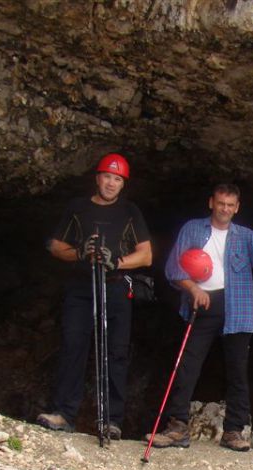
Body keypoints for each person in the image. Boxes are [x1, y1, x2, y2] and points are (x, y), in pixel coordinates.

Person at [147, 183, 253, 451]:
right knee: (187, 364)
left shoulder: (244, 236)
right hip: (204, 302)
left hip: (238, 306)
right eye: (221, 203)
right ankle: (176, 427)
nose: (224, 209)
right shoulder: (193, 229)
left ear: (237, 208)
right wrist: (193, 289)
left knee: (237, 370)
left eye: (230, 205)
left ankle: (233, 431)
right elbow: (174, 267)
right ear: (211, 202)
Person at [37, 152, 152, 438]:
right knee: (73, 345)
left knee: (116, 352)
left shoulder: (130, 211)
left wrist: (117, 261)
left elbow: (146, 255)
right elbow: (54, 246)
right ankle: (64, 413)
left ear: (123, 184)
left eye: (117, 179)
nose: (111, 183)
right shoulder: (77, 208)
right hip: (81, 284)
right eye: (107, 177)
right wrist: (80, 252)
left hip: (114, 285)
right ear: (97, 178)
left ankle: (112, 420)